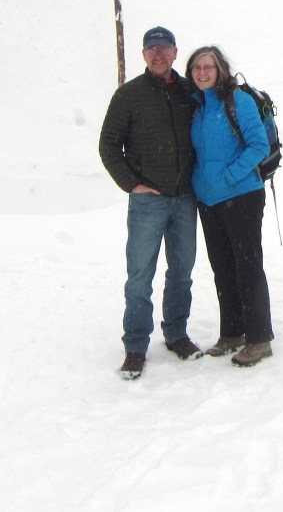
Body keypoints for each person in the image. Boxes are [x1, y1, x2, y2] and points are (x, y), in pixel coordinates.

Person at [99, 26, 203, 380]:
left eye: (164, 48)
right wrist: (133, 184)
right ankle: (136, 346)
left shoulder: (190, 92)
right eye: (151, 49)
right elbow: (109, 146)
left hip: (185, 198)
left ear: (176, 52)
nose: (158, 54)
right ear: (143, 55)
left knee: (181, 272)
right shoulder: (129, 95)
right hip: (148, 203)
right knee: (140, 277)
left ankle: (176, 334)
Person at [186, 45, 275, 367]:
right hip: (209, 200)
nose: (202, 73)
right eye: (196, 67)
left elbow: (258, 145)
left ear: (220, 69)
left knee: (247, 267)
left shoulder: (239, 100)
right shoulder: (198, 106)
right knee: (222, 268)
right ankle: (232, 333)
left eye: (208, 67)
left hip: (242, 197)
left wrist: (228, 178)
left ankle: (259, 338)